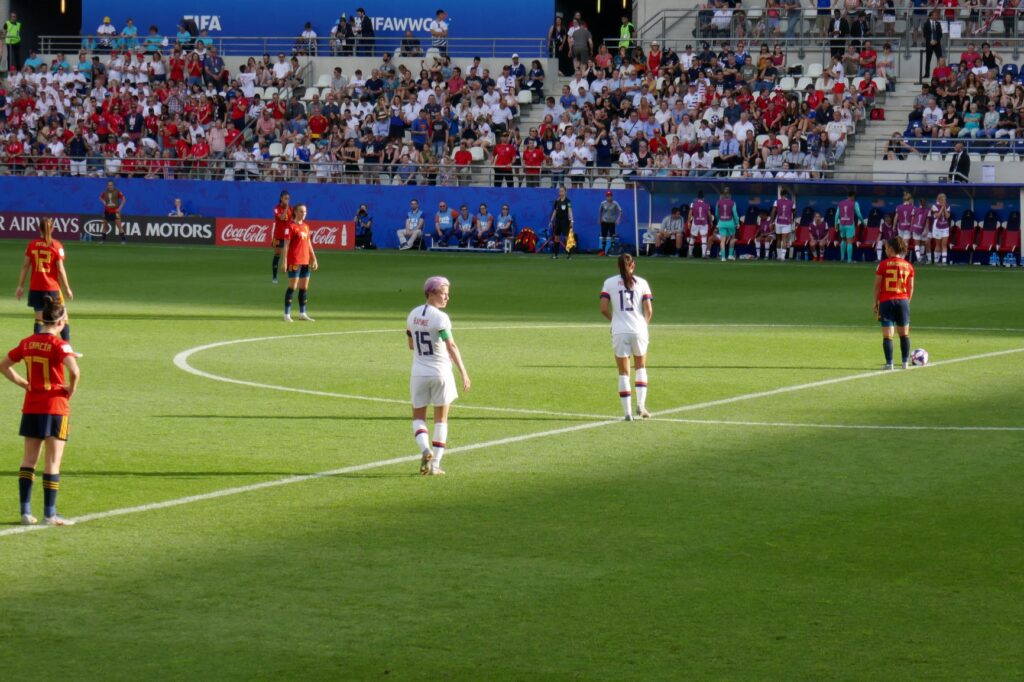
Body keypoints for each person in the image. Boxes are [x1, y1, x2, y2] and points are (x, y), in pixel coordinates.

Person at [0, 295, 80, 526]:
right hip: (55, 406)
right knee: (52, 462)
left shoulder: (27, 342)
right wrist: (70, 390)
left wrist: (22, 383)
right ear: (61, 322)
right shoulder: (60, 344)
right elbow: (74, 372)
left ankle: (25, 512)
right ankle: (50, 514)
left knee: (28, 460)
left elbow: (3, 365)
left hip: (32, 405)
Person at [407, 276, 471, 476]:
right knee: (441, 419)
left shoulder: (413, 314)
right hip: (441, 372)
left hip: (418, 372)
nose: (447, 297)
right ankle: (435, 464)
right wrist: (463, 372)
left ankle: (424, 448)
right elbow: (450, 344)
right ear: (431, 293)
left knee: (418, 417)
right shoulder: (441, 318)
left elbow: (411, 345)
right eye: (444, 293)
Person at [600, 254, 653, 421]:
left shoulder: (609, 283)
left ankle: (627, 413)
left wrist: (614, 319)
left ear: (618, 267)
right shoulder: (642, 283)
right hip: (639, 329)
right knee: (641, 367)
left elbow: (603, 308)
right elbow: (649, 310)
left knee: (623, 372)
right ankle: (641, 406)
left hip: (619, 330)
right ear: (633, 265)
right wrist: (643, 325)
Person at [15, 218, 74, 343]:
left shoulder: (32, 244)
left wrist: (20, 286)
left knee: (39, 319)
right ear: (52, 229)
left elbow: (25, 266)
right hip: (52, 288)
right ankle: (66, 347)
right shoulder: (56, 245)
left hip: (35, 288)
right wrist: (67, 288)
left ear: (39, 229)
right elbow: (61, 269)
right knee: (62, 317)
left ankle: (37, 346)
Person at [873, 237, 915, 370]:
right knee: (904, 334)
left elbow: (877, 286)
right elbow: (911, 287)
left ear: (891, 248)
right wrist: (907, 301)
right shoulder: (908, 266)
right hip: (902, 301)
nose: (885, 249)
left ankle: (889, 363)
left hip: (886, 301)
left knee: (887, 335)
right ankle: (904, 363)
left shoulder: (883, 265)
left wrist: (875, 302)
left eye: (886, 247)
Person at [282, 204, 317, 322]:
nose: (304, 213)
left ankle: (303, 313)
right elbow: (286, 245)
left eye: (305, 211)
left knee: (304, 288)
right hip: (295, 260)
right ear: (295, 212)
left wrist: (314, 258)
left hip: (305, 261)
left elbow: (308, 243)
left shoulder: (306, 227)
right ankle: (287, 314)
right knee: (293, 287)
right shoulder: (290, 226)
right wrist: (284, 261)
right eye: (301, 211)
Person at [835, 190, 864, 263]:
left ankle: (842, 258)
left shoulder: (841, 203)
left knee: (843, 240)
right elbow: (859, 214)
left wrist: (835, 224)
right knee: (849, 242)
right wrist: (863, 222)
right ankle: (849, 260)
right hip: (850, 224)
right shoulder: (855, 203)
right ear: (853, 196)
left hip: (842, 224)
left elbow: (836, 215)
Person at [271, 191, 292, 283]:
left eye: (288, 198)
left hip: (287, 235)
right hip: (278, 235)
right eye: (285, 198)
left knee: (289, 255)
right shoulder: (277, 208)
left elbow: (293, 220)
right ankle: (275, 277)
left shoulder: (291, 209)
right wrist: (286, 208)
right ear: (281, 198)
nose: (287, 200)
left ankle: (291, 276)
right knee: (277, 254)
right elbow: (282, 217)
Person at [770, 189, 797, 261]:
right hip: (787, 223)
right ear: (786, 195)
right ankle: (783, 257)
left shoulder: (777, 202)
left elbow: (773, 212)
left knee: (778, 239)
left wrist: (771, 222)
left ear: (780, 195)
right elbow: (794, 212)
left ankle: (778, 256)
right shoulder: (791, 202)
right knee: (784, 239)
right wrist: (793, 219)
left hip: (778, 222)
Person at [547, 186, 574, 259]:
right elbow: (555, 211)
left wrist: (572, 220)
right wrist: (551, 221)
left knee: (567, 238)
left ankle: (568, 255)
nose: (561, 193)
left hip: (565, 221)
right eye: (560, 191)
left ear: (565, 192)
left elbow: (570, 211)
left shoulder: (568, 201)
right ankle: (556, 255)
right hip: (558, 221)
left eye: (562, 191)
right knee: (556, 238)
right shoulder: (557, 201)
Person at [715, 187, 740, 261]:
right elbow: (735, 214)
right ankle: (730, 255)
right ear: (729, 195)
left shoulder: (718, 202)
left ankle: (723, 257)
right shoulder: (732, 202)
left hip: (721, 222)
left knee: (722, 240)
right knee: (732, 238)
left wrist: (718, 221)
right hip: (730, 223)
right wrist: (737, 223)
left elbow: (716, 214)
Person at [687, 190, 712, 259]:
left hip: (695, 222)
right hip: (704, 222)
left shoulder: (693, 204)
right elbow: (709, 215)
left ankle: (690, 253)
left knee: (692, 237)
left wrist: (689, 222)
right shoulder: (707, 205)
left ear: (697, 197)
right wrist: (711, 222)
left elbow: (690, 213)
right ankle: (703, 254)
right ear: (703, 198)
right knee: (704, 237)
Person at [598, 191, 623, 256]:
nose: (609, 197)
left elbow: (620, 211)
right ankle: (603, 250)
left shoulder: (615, 203)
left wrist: (618, 219)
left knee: (612, 236)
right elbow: (600, 210)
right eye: (608, 196)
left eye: (610, 196)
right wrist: (599, 219)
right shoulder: (603, 203)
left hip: (612, 222)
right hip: (604, 222)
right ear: (606, 197)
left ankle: (612, 250)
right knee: (604, 236)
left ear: (612, 196)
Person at [930, 193, 952, 265]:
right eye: (942, 200)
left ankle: (944, 261)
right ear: (939, 200)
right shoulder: (934, 206)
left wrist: (944, 208)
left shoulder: (947, 206)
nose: (944, 201)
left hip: (945, 226)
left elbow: (947, 216)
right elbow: (937, 216)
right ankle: (936, 261)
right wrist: (942, 208)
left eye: (944, 200)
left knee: (944, 244)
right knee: (938, 245)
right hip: (937, 227)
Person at [911, 198, 931, 264]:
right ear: (925, 204)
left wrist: (911, 227)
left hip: (916, 228)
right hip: (922, 229)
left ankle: (919, 258)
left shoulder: (915, 209)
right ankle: (921, 258)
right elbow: (927, 222)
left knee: (917, 244)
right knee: (922, 243)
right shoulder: (928, 211)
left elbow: (912, 219)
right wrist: (926, 230)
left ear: (919, 203)